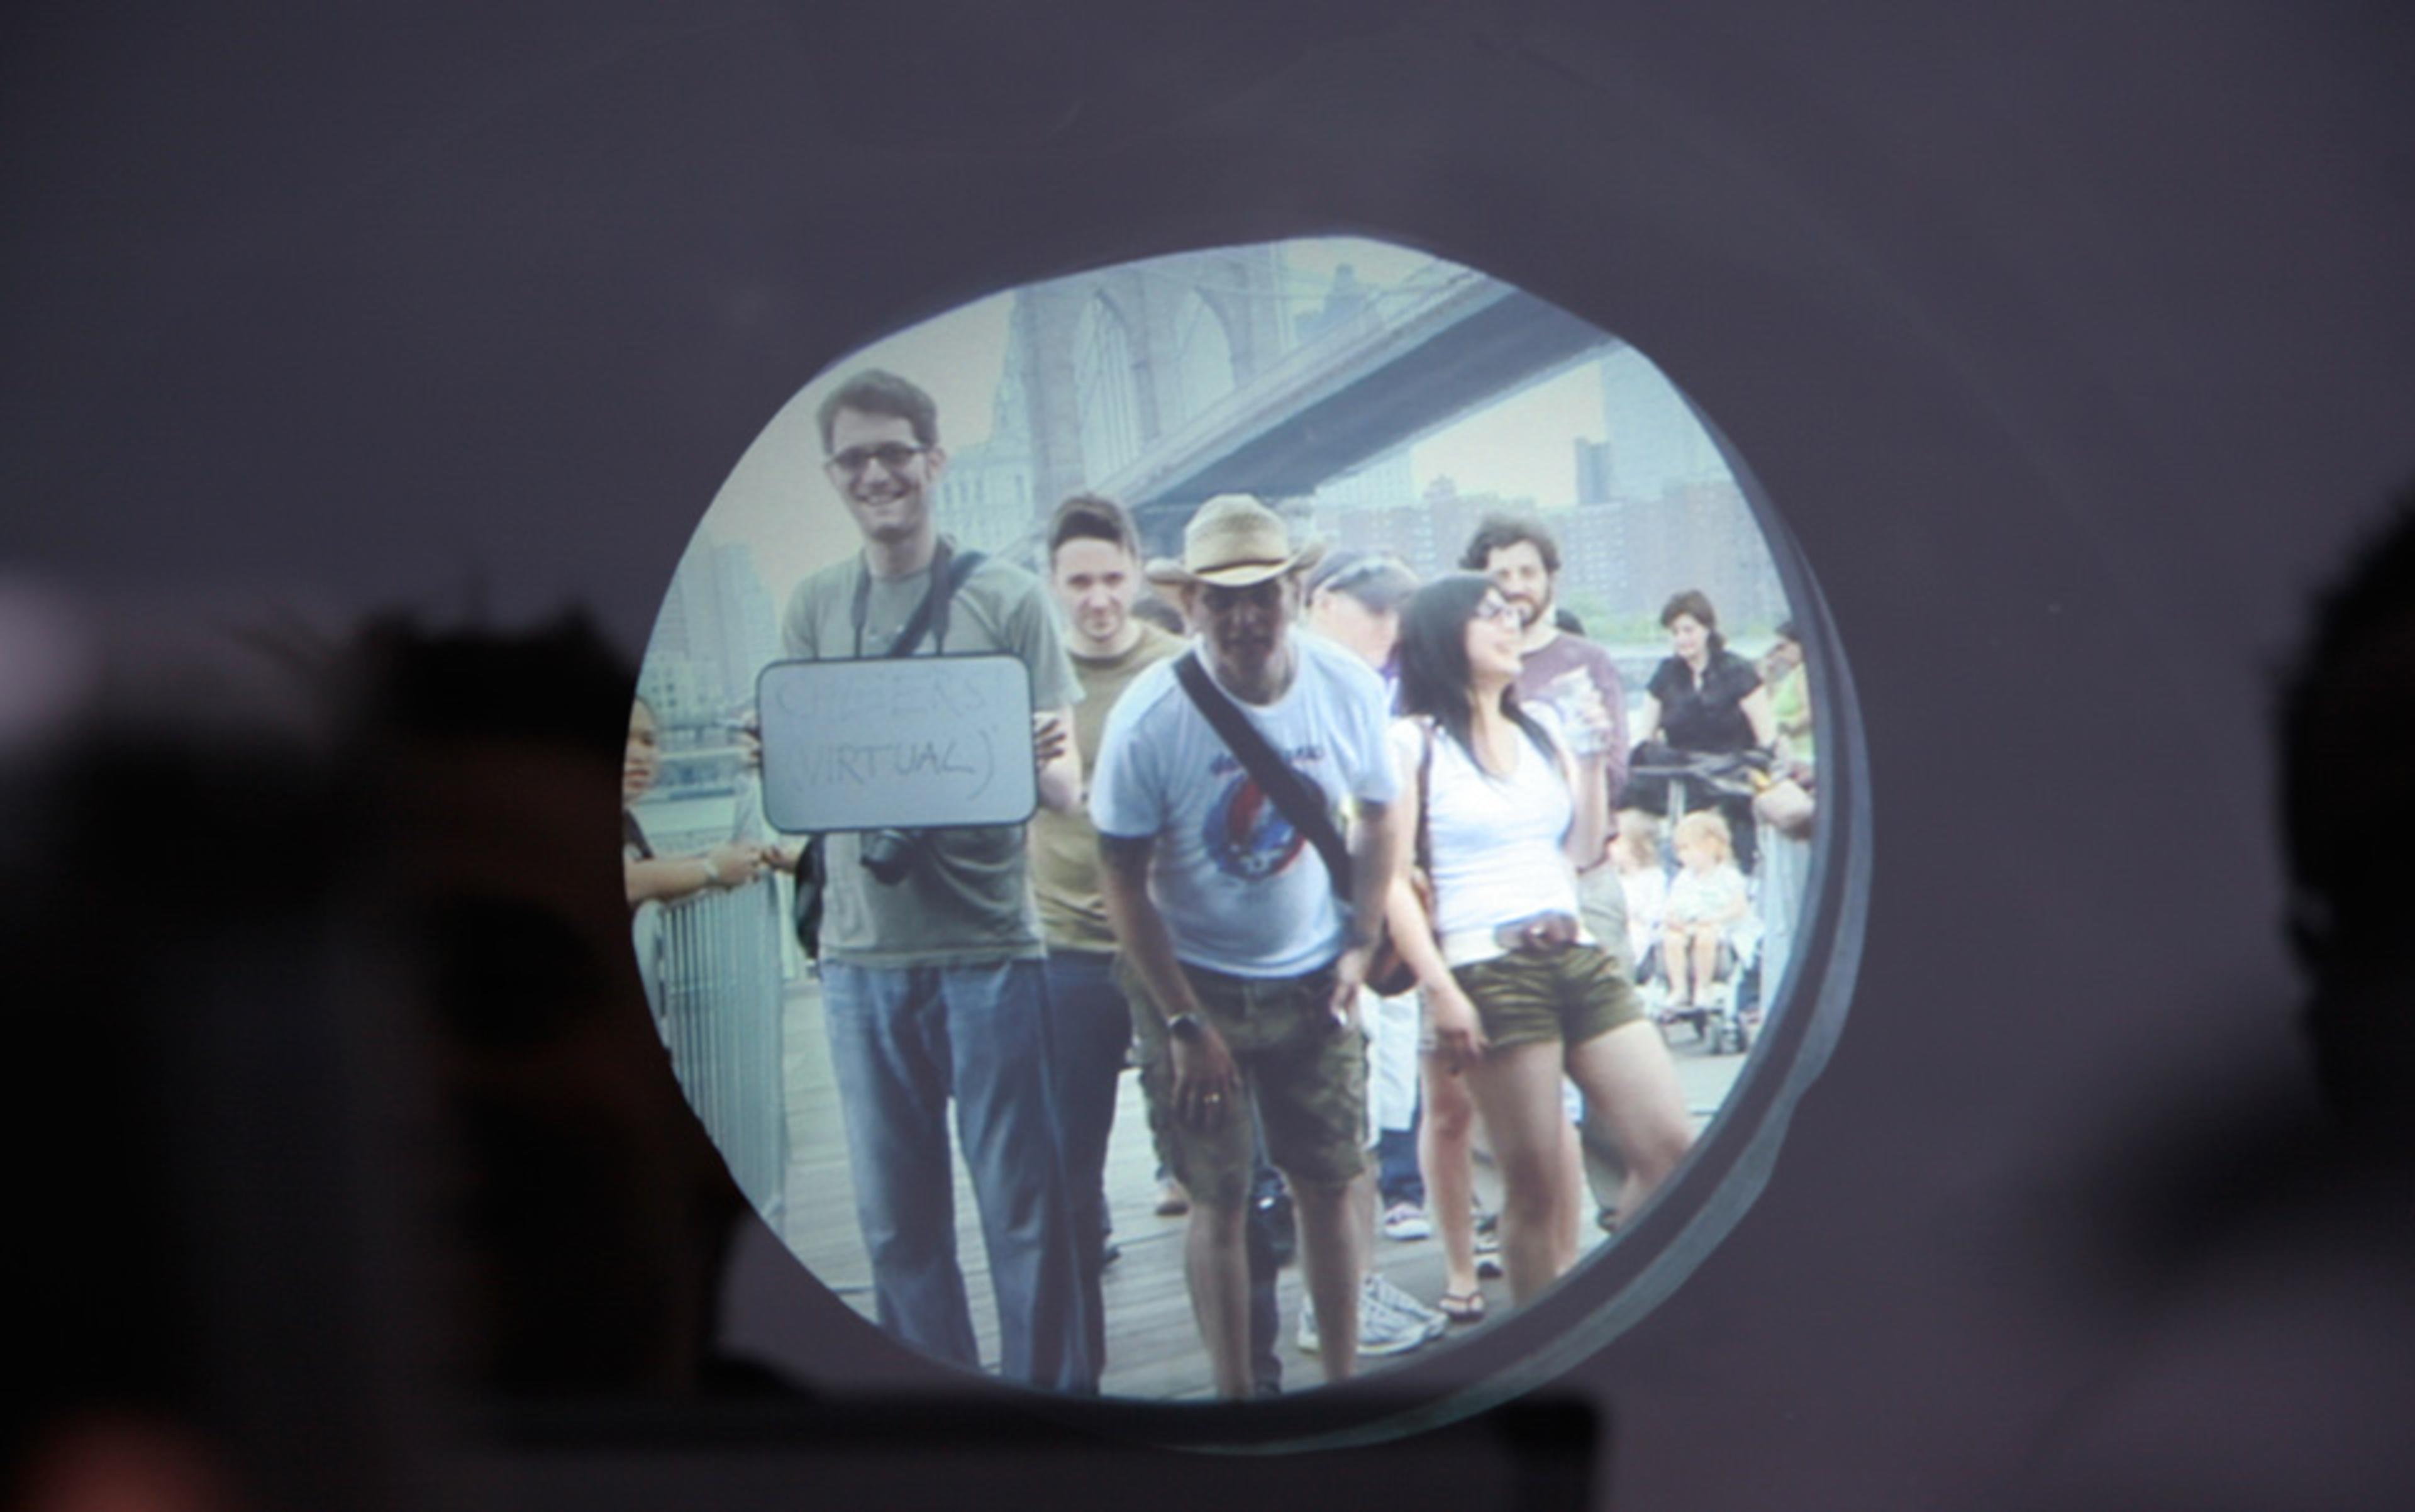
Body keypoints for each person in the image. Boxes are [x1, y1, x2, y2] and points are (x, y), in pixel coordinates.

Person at [779, 369, 1094, 1392]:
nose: (876, 473)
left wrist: (1022, 753)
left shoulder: (1008, 598)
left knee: (1027, 1217)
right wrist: (781, 757)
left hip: (991, 950)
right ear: (833, 473)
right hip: (861, 959)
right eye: (854, 456)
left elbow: (1062, 786)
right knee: (894, 1223)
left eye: (895, 452)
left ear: (934, 461)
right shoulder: (817, 605)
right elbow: (816, 783)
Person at [1090, 494, 1401, 1399]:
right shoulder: (1151, 719)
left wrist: (1363, 938)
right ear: (1187, 605)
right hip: (1196, 981)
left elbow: (1381, 814)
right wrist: (1183, 1019)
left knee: (1331, 1183)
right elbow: (1120, 875)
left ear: (1297, 591)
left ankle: (1340, 1389)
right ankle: (1237, 1404)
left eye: (1263, 593)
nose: (1244, 617)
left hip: (1313, 980)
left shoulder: (1346, 687)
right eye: (1219, 599)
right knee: (1217, 1198)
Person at [1383, 574, 1696, 1308]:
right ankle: (1540, 1349)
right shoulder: (1412, 741)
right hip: (1488, 966)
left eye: (1512, 609)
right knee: (1533, 1190)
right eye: (1488, 612)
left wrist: (1591, 764)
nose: (1510, 620)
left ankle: (1595, 1304)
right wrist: (1443, 989)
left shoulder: (1542, 728)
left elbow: (1585, 850)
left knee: (1671, 1146)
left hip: (1577, 950)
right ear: (1443, 636)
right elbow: (1393, 882)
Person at [1030, 492, 1185, 1369]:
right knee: (1069, 1168)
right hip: (1064, 947)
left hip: (1172, 949)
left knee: (1213, 1162)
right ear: (1052, 585)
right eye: (1079, 581)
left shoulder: (1178, 666)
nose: (1097, 597)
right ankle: (1077, 1376)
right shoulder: (1026, 670)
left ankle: (1246, 1378)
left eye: (1112, 577)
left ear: (1137, 572)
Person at [1626, 588, 1775, 872]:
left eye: (1688, 630)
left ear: (1707, 629)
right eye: (1675, 632)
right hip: (1684, 775)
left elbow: (1767, 737)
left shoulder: (1737, 670)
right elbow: (1644, 736)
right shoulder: (1666, 674)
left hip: (1732, 776)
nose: (1682, 639)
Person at [621, 695, 774, 906]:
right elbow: (630, 881)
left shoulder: (627, 820)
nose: (639, 755)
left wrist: (733, 860)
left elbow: (651, 868)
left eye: (648, 741)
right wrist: (712, 870)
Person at [1660, 811, 1750, 1011]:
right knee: (1672, 939)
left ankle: (1703, 987)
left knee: (1706, 937)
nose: (1682, 856)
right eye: (1680, 850)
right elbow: (1672, 903)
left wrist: (1714, 918)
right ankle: (1679, 989)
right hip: (1688, 923)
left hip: (1717, 925)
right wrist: (1672, 917)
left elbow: (1739, 908)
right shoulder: (1684, 878)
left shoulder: (1728, 876)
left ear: (1710, 846)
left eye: (1687, 849)